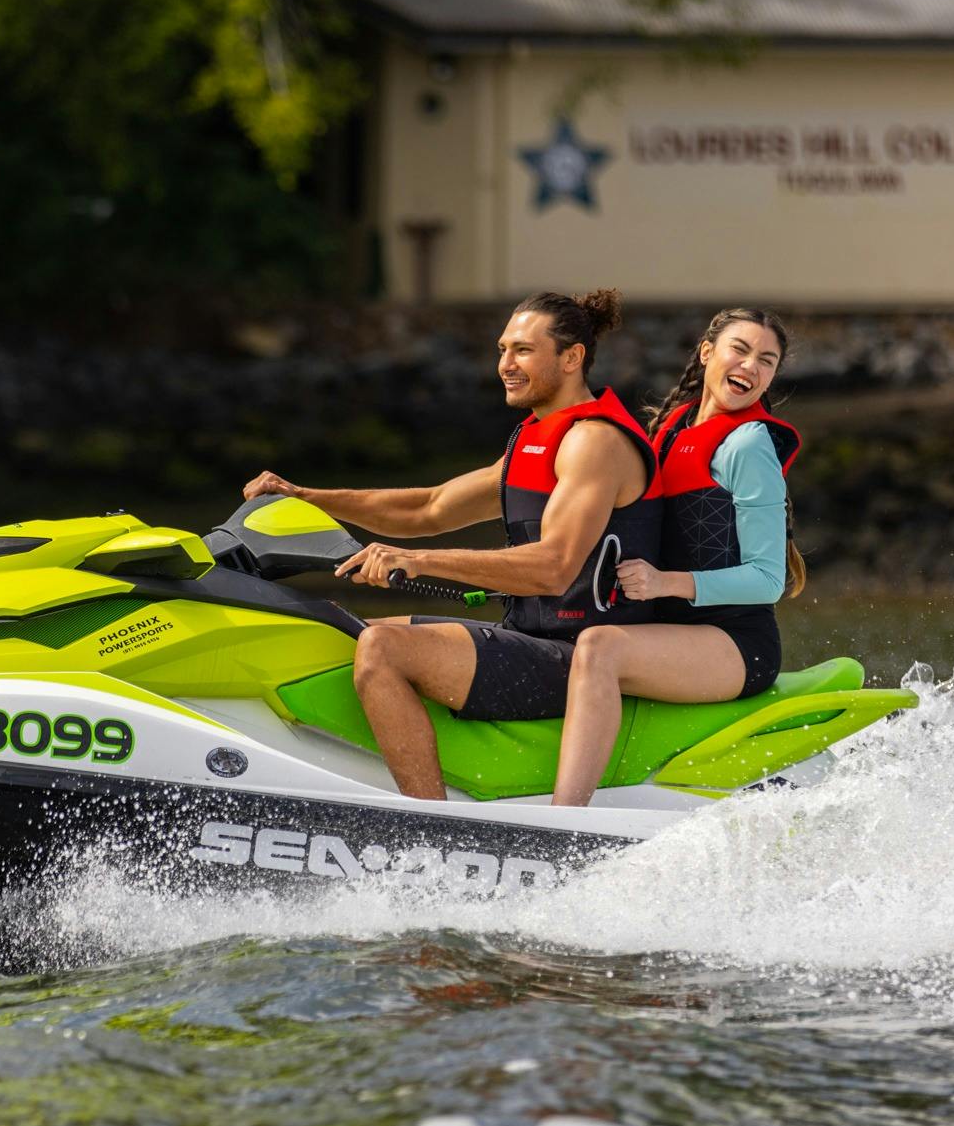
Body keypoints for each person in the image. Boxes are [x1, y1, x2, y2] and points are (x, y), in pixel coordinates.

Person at [242, 290, 659, 799]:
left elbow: (554, 567)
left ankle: (433, 824)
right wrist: (304, 496)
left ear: (571, 358)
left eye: (523, 351)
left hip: (582, 659)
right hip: (533, 637)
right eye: (503, 349)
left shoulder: (595, 442)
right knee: (341, 630)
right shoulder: (537, 438)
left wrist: (416, 561)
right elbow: (430, 508)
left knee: (383, 648)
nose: (506, 364)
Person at [548, 307, 808, 808]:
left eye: (767, 360)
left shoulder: (748, 445)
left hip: (735, 641)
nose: (751, 366)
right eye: (740, 350)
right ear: (707, 352)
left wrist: (664, 582)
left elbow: (767, 579)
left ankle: (564, 820)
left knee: (599, 648)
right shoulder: (669, 431)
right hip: (668, 630)